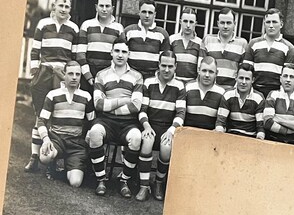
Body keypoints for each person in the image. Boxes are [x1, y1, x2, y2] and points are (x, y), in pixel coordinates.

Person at [26, 0, 78, 172]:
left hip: (62, 74)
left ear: (70, 9)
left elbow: (75, 55)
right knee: (40, 115)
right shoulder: (43, 24)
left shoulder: (73, 28)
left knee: (58, 115)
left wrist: (68, 76)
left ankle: (54, 162)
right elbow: (35, 50)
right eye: (60, 6)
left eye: (67, 7)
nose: (63, 9)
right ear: (54, 6)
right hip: (44, 72)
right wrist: (35, 71)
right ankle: (34, 157)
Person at [88, 41, 143, 198]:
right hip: (106, 121)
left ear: (128, 54)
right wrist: (123, 100)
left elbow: (136, 106)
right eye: (117, 51)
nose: (120, 55)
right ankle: (101, 179)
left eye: (124, 52)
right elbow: (98, 104)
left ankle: (124, 180)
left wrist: (110, 103)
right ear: (111, 52)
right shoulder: (101, 75)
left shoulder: (137, 77)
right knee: (95, 132)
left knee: (136, 138)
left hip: (128, 123)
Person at [135, 50, 186, 201]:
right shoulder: (149, 82)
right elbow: (142, 109)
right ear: (158, 64)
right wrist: (146, 126)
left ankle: (158, 183)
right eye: (163, 65)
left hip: (168, 127)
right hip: (150, 125)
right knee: (147, 142)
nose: (166, 69)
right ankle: (144, 186)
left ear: (175, 66)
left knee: (165, 148)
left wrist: (171, 131)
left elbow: (181, 113)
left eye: (170, 66)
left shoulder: (179, 86)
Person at [35, 60, 93, 188]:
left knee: (75, 182)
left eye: (77, 74)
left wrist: (88, 135)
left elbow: (92, 121)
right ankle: (52, 164)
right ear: (64, 74)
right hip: (57, 140)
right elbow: (41, 121)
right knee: (44, 158)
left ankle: (67, 167)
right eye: (70, 73)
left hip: (76, 143)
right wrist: (45, 140)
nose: (74, 77)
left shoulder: (86, 96)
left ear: (80, 76)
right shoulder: (53, 94)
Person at [76, 0, 122, 92]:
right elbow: (80, 54)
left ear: (112, 8)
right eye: (101, 6)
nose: (104, 9)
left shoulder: (119, 28)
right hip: (88, 73)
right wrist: (88, 76)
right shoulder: (87, 25)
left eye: (107, 6)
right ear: (96, 7)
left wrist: (111, 76)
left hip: (109, 75)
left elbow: (121, 55)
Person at [248, 8, 294, 97]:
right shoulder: (253, 43)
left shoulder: (289, 47)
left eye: (274, 22)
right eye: (268, 22)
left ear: (281, 24)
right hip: (254, 91)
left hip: (276, 93)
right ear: (264, 24)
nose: (271, 25)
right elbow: (247, 70)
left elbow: (287, 76)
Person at [260, 63, 294, 144]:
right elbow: (267, 123)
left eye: (291, 77)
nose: (288, 80)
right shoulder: (273, 94)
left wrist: (279, 120)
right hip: (273, 143)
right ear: (280, 79)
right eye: (285, 76)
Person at [203, 8, 249, 91]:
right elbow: (201, 67)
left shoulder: (242, 43)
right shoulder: (208, 40)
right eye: (222, 23)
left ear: (234, 24)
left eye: (228, 23)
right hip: (210, 89)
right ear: (218, 23)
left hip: (232, 91)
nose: (225, 26)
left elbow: (243, 71)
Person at [123, 0, 169, 78]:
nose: (147, 15)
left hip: (153, 78)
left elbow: (164, 61)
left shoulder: (162, 34)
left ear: (155, 14)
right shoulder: (129, 31)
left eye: (150, 13)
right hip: (131, 76)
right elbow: (122, 55)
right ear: (139, 13)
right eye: (144, 12)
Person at [180, 57, 228, 131]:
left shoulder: (222, 93)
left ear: (216, 73)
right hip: (188, 136)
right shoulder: (188, 88)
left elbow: (221, 123)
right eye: (204, 70)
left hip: (209, 138)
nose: (207, 75)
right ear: (199, 70)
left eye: (211, 72)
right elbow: (180, 115)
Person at [219, 61, 264, 138]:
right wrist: (219, 131)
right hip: (230, 138)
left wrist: (259, 139)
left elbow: (260, 128)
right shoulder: (228, 95)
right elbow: (220, 122)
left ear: (252, 80)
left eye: (247, 79)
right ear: (236, 77)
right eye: (241, 78)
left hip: (251, 140)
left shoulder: (259, 98)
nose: (243, 82)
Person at [169, 6, 204, 84]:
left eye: (191, 22)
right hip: (174, 83)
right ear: (180, 21)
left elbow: (200, 68)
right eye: (185, 21)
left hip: (191, 84)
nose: (188, 25)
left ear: (196, 23)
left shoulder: (200, 43)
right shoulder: (172, 39)